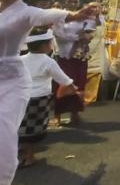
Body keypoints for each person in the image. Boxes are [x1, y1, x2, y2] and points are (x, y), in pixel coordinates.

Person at [0, 0, 95, 185]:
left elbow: (47, 15)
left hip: (13, 81)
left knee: (4, 133)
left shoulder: (25, 12)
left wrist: (73, 15)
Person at [18, 28, 80, 167]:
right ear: (44, 45)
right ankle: (29, 157)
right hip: (39, 99)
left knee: (21, 126)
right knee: (33, 128)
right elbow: (64, 80)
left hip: (21, 97)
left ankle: (20, 152)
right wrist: (74, 88)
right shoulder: (48, 62)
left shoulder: (20, 59)